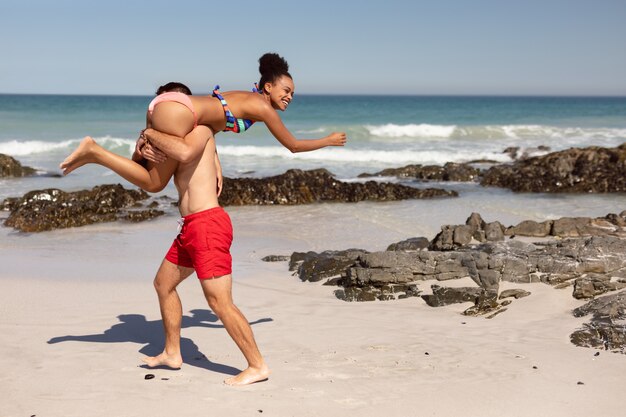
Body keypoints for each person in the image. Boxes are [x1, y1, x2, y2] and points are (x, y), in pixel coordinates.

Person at [59, 53, 347, 386]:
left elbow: (184, 152)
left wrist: (149, 135)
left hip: (207, 225)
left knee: (219, 302)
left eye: (292, 92)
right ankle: (172, 352)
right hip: (193, 227)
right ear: (267, 87)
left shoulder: (202, 132)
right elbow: (158, 174)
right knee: (163, 284)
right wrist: (149, 140)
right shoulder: (211, 125)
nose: (290, 97)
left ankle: (257, 365)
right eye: (286, 90)